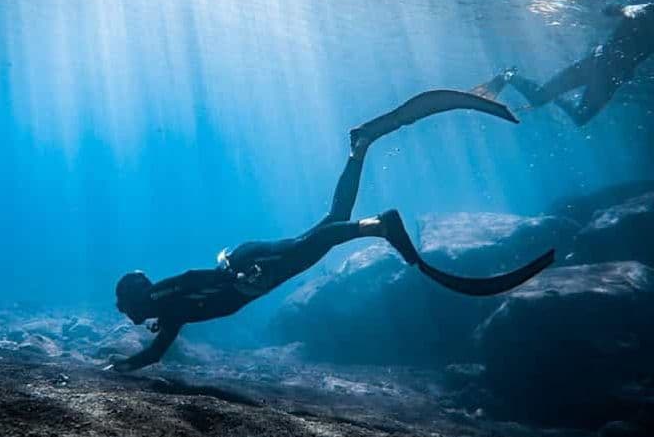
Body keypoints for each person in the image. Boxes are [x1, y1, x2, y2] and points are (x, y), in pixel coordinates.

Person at [109, 90, 555, 373]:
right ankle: (360, 148)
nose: (123, 312)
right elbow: (154, 354)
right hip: (247, 270)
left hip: (250, 270)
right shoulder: (164, 314)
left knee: (314, 242)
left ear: (134, 296)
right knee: (330, 220)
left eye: (122, 304)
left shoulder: (158, 299)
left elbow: (190, 279)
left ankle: (376, 227)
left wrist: (233, 279)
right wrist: (123, 367)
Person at [473, 3, 653, 126]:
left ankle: (513, 79)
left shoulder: (646, 12)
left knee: (570, 112)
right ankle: (509, 77)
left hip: (608, 68)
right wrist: (625, 8)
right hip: (601, 65)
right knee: (563, 108)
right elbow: (608, 10)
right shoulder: (646, 10)